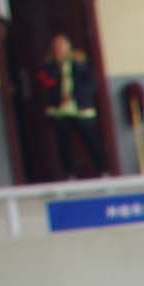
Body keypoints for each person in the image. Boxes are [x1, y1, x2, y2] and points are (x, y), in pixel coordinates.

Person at [37, 30, 109, 180]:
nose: (59, 49)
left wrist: (74, 95)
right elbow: (45, 83)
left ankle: (103, 171)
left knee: (91, 140)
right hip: (59, 111)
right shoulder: (48, 66)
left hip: (81, 109)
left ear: (68, 47)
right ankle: (69, 174)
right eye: (56, 46)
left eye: (62, 46)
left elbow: (90, 83)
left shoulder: (80, 62)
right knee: (63, 144)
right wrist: (56, 71)